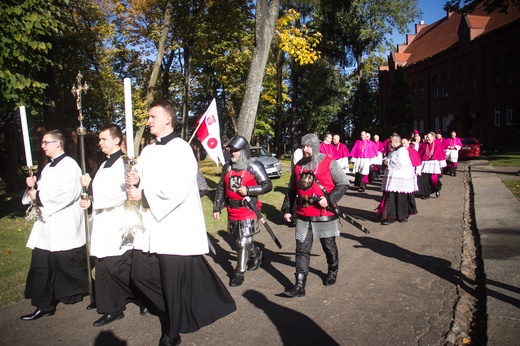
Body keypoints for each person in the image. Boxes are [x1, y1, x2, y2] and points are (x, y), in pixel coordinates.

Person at [125, 100, 236, 346]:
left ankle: (172, 331)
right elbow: (146, 178)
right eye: (149, 117)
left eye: (153, 116)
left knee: (172, 282)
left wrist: (143, 195)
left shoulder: (181, 149)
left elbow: (176, 188)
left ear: (168, 119)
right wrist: (136, 177)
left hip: (173, 227)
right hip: (150, 226)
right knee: (140, 274)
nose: (149, 121)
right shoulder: (148, 150)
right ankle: (180, 311)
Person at [20, 130, 89, 320]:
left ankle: (101, 293)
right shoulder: (48, 167)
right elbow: (37, 194)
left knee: (69, 267)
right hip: (45, 226)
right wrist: (32, 186)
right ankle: (44, 305)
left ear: (57, 143)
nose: (42, 146)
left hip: (63, 224)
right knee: (40, 265)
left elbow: (68, 194)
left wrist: (39, 196)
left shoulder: (70, 166)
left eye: (45, 142)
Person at [79, 124, 144, 327]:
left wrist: (91, 190)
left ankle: (132, 300)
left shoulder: (126, 164)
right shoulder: (104, 164)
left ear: (116, 140)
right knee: (104, 264)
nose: (100, 143)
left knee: (116, 266)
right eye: (99, 139)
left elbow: (121, 192)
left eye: (103, 139)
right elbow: (101, 189)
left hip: (117, 219)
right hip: (102, 220)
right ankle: (110, 304)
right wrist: (88, 199)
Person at [281, 133, 350, 297]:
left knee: (329, 245)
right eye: (303, 146)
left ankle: (333, 270)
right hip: (303, 213)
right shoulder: (299, 166)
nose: (304, 149)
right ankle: (299, 285)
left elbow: (343, 183)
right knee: (301, 249)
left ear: (315, 146)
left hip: (323, 212)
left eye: (307, 146)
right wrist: (286, 209)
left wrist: (329, 199)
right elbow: (292, 190)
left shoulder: (329, 163)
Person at [213, 135, 273, 286]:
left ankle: (239, 272)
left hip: (248, 209)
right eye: (231, 150)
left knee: (242, 241)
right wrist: (217, 207)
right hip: (233, 210)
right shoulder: (227, 167)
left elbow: (267, 185)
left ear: (243, 151)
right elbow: (221, 187)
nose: (232, 153)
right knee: (242, 240)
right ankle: (257, 254)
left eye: (235, 150)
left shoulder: (254, 166)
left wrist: (249, 190)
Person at [376, 135, 418, 225]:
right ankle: (391, 216)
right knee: (391, 197)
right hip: (392, 179)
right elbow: (388, 159)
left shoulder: (402, 151)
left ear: (396, 142)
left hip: (400, 179)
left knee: (400, 198)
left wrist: (387, 161)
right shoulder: (393, 151)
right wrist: (385, 160)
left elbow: (399, 163)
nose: (390, 144)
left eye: (391, 142)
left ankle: (401, 215)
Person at [417, 132, 447, 199]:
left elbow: (441, 154)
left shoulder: (438, 144)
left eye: (428, 137)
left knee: (434, 179)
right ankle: (426, 194)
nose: (427, 138)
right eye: (427, 137)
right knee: (426, 180)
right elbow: (420, 153)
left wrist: (441, 164)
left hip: (435, 164)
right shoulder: (424, 144)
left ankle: (437, 188)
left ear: (433, 138)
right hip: (426, 163)